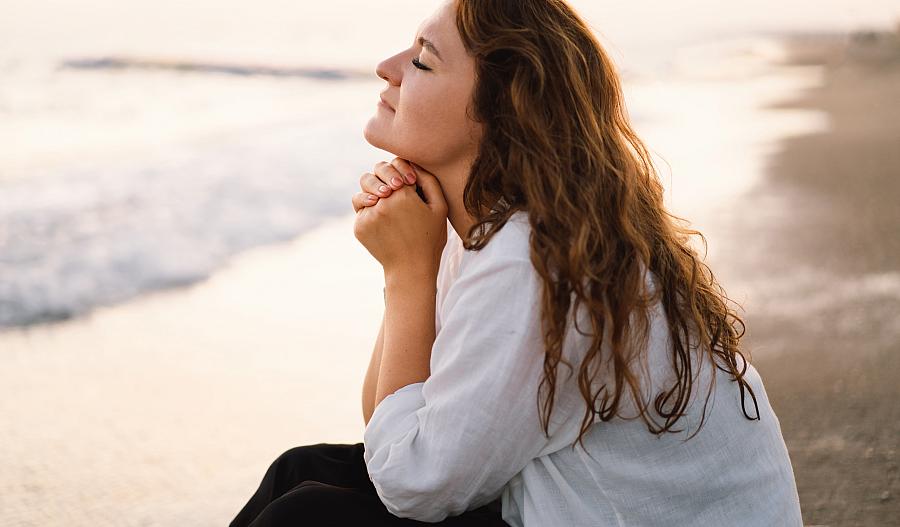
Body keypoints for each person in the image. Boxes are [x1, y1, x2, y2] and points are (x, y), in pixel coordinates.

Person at [230, 0, 804, 526]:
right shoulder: (496, 226)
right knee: (300, 470)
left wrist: (406, 276)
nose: (387, 66)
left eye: (423, 62)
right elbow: (389, 429)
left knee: (305, 517)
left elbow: (413, 480)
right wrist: (412, 265)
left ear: (501, 111)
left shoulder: (536, 258)